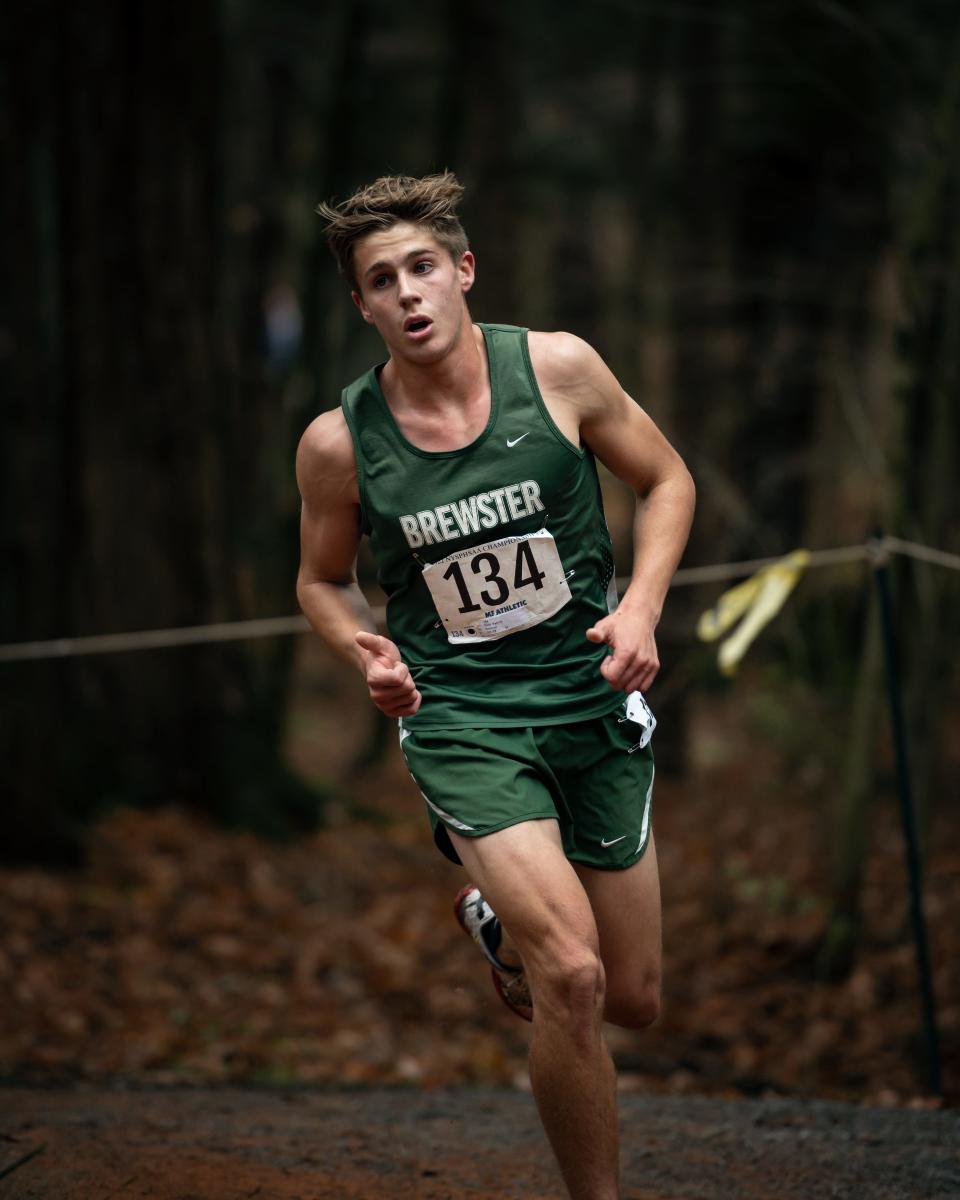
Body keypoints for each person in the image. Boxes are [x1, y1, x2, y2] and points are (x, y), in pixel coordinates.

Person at [296, 172, 695, 1200]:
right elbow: (321, 581)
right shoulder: (340, 444)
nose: (409, 294)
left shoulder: (558, 372)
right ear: (363, 306)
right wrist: (365, 652)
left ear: (464, 270)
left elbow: (666, 481)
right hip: (462, 719)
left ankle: (499, 932)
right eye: (383, 280)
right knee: (576, 977)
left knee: (637, 1000)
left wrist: (641, 605)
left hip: (589, 695)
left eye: (424, 267)